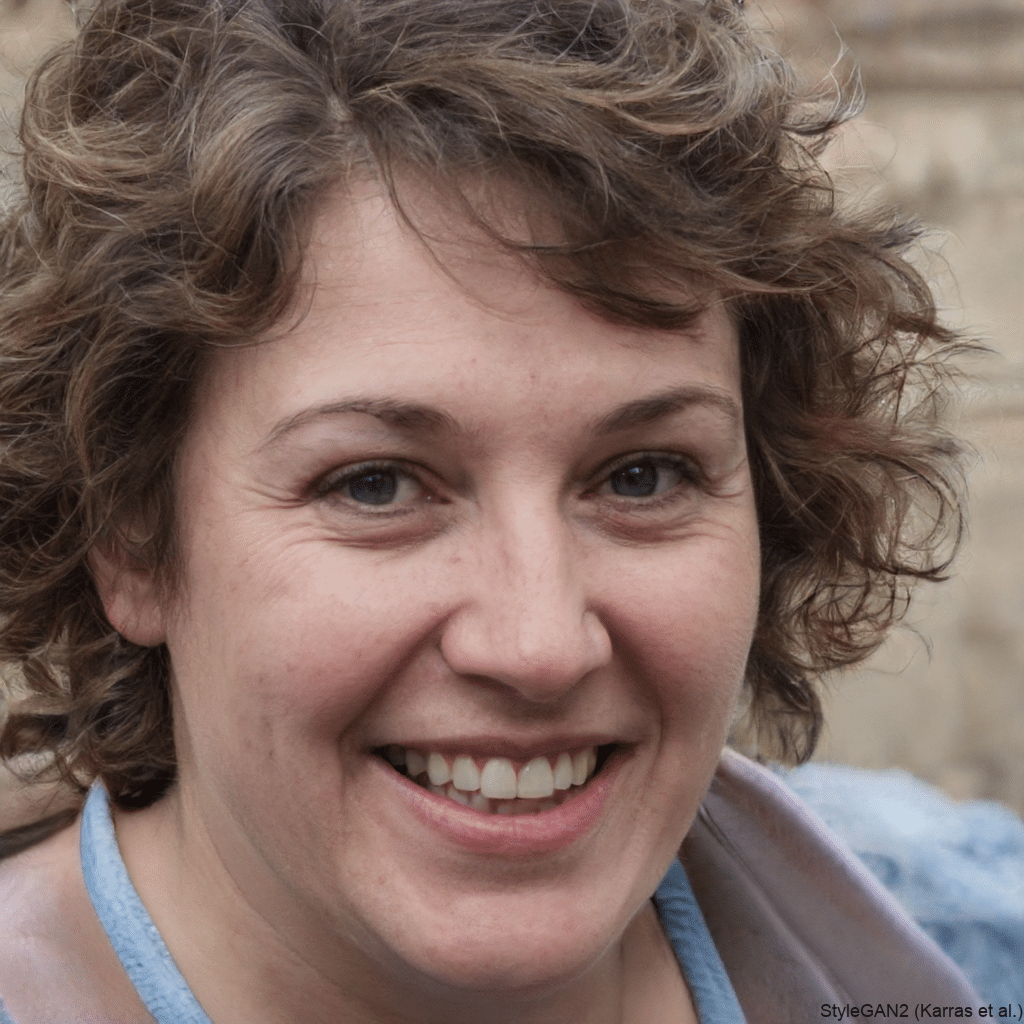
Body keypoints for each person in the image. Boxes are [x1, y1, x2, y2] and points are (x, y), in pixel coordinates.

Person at [0, 1, 984, 1021]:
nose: (539, 645)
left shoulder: (957, 950)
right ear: (134, 541)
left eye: (643, 476)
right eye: (374, 483)